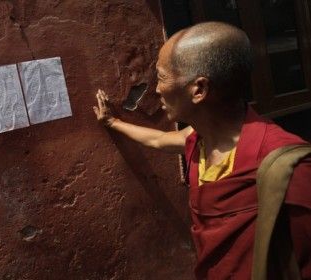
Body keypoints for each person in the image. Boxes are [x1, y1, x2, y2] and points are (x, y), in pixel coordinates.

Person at [93, 21, 311, 279]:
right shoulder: (198, 139)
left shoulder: (286, 165)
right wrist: (112, 122)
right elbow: (159, 140)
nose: (157, 89)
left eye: (162, 77)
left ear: (199, 89)